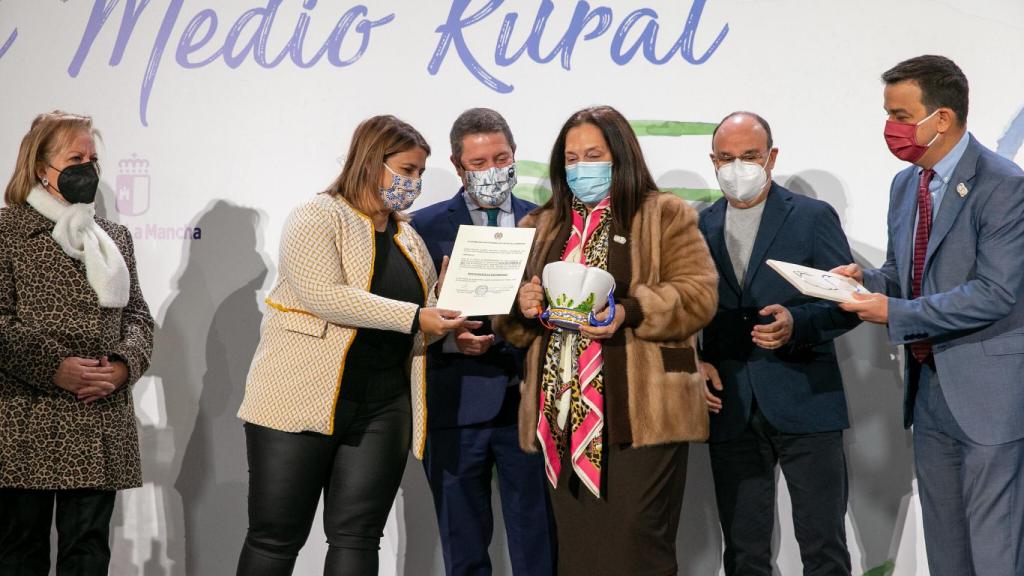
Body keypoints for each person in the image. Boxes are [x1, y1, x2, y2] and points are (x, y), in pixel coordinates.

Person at [235, 115, 469, 576]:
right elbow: (324, 295)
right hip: (297, 403)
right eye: (407, 169)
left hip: (383, 405)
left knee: (358, 538)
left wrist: (449, 318)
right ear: (370, 162)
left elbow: (423, 310)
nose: (415, 183)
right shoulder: (318, 215)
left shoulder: (406, 236)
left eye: (420, 173)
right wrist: (415, 316)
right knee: (275, 537)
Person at [495, 105, 719, 576]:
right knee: (579, 555)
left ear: (620, 156)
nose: (582, 167)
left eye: (593, 154)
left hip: (643, 413)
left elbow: (699, 296)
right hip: (560, 416)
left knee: (637, 548)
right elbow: (511, 328)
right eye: (571, 158)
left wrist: (628, 310)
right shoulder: (540, 225)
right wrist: (523, 304)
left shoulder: (664, 213)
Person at [833, 55, 1024, 576]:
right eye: (889, 115)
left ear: (941, 118)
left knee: (995, 548)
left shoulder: (1004, 184)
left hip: (989, 394)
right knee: (946, 549)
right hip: (930, 387)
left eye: (900, 114)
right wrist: (864, 282)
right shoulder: (905, 185)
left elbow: (994, 293)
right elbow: (905, 273)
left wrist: (893, 311)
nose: (891, 129)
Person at [698, 111, 861, 576]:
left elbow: (846, 302)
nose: (738, 167)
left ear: (772, 157)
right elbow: (690, 311)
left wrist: (796, 323)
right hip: (730, 407)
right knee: (744, 553)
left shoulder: (811, 217)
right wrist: (695, 359)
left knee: (823, 546)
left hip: (806, 399)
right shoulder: (698, 225)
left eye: (749, 156)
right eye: (727, 158)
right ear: (713, 161)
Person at [0, 111, 155, 575]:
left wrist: (124, 364)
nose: (87, 167)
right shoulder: (6, 233)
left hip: (98, 419)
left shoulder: (115, 238)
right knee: (18, 551)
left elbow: (140, 318)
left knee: (88, 552)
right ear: (41, 167)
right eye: (75, 158)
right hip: (25, 418)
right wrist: (56, 367)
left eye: (93, 158)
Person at [411, 108, 555, 576]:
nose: (492, 171)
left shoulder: (548, 222)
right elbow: (405, 318)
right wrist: (450, 343)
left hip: (529, 403)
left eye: (502, 158)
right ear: (457, 167)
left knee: (537, 542)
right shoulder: (419, 228)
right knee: (463, 544)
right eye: (478, 163)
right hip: (454, 403)